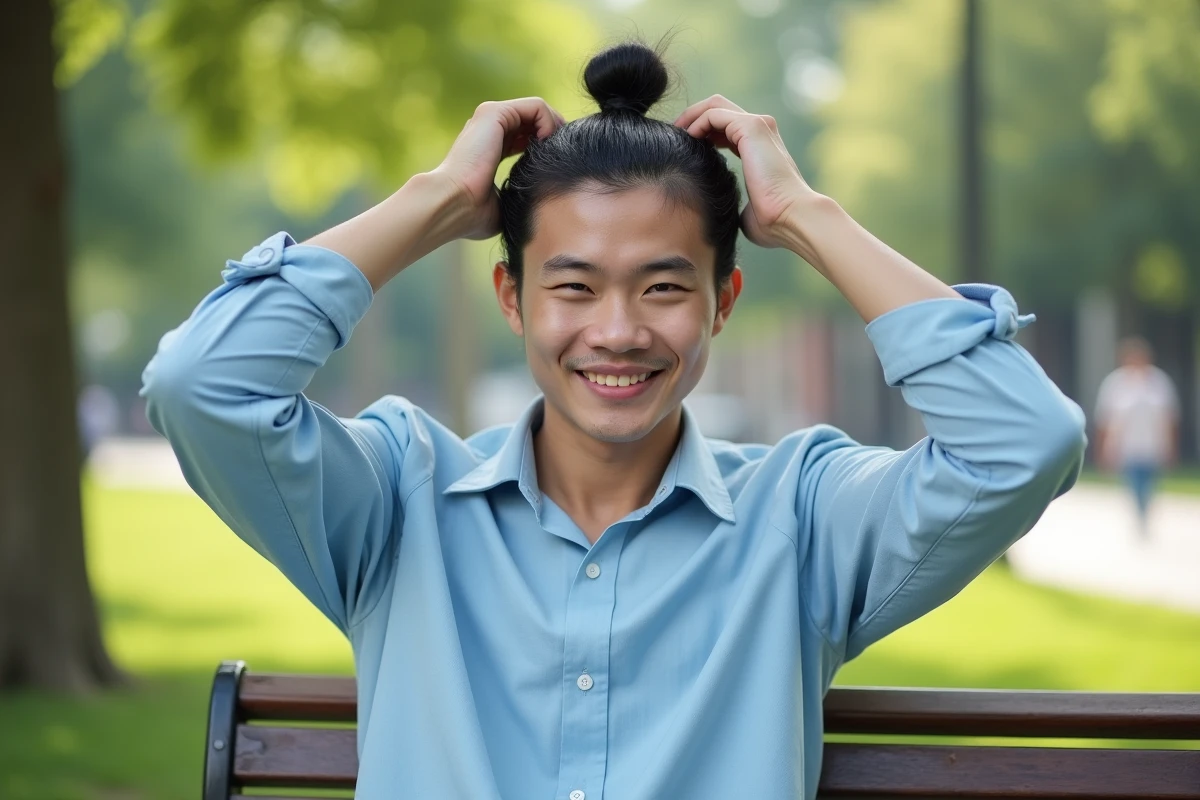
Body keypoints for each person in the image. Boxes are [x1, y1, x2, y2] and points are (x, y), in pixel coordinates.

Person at [141, 42, 1085, 800]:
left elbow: (1024, 443)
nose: (619, 332)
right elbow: (200, 384)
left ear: (724, 301)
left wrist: (805, 214)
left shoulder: (802, 522)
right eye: (574, 286)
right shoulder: (396, 500)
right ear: (511, 297)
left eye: (666, 286)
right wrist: (436, 200)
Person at [1094, 336, 1180, 539]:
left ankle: (1145, 515)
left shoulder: (1159, 382)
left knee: (1149, 485)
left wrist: (1171, 447)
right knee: (1134, 485)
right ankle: (1139, 517)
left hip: (1153, 445)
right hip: (1126, 447)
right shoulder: (1115, 383)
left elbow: (1169, 417)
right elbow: (1105, 419)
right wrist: (1103, 449)